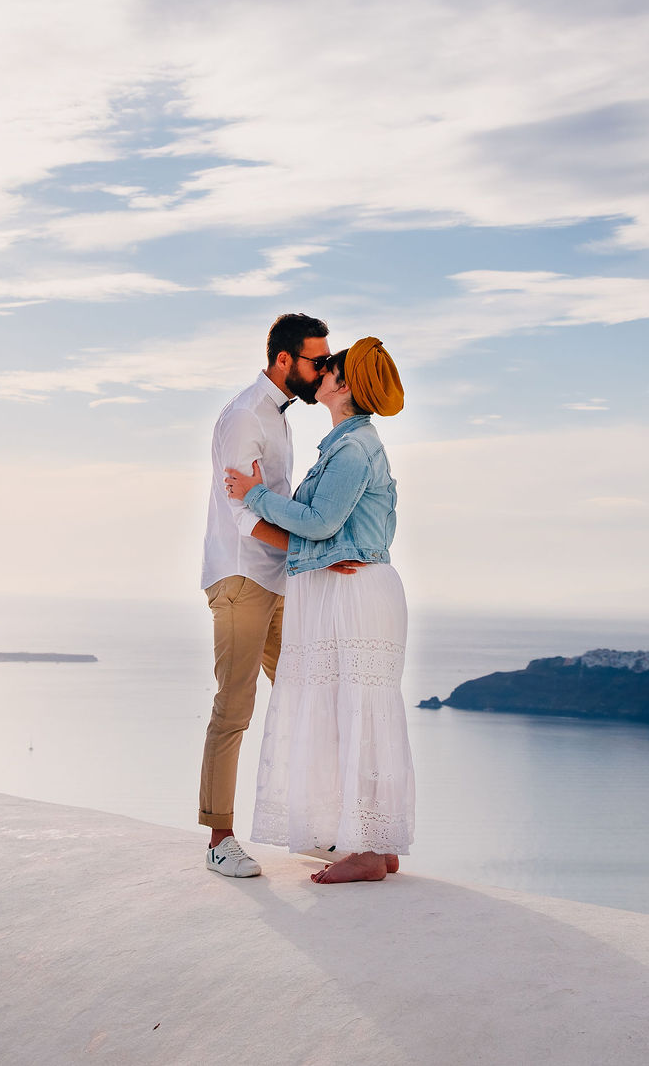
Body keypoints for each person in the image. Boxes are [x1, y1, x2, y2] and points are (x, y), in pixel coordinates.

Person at [224, 337, 412, 884]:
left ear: (344, 385)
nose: (321, 372)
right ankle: (374, 843)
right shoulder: (344, 444)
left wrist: (254, 494)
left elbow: (320, 521)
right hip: (344, 595)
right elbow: (331, 528)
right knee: (349, 713)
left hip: (354, 600)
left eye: (330, 367)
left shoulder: (353, 451)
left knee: (354, 713)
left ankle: (369, 852)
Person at [197, 313, 330, 878]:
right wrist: (310, 550)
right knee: (235, 705)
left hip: (277, 579)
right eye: (316, 360)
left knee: (305, 694)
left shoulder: (278, 417)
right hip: (242, 578)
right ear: (284, 361)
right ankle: (219, 837)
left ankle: (317, 827)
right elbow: (243, 514)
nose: (323, 369)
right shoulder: (245, 416)